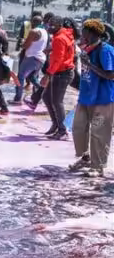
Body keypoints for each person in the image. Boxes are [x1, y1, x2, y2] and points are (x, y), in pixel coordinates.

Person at [71, 19, 114, 177]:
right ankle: (86, 157)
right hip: (86, 97)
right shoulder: (87, 49)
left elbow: (111, 75)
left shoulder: (105, 50)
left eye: (84, 30)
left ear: (91, 33)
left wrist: (90, 65)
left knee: (99, 132)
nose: (81, 33)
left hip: (102, 99)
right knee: (78, 128)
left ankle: (98, 166)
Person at [41, 16, 76, 139]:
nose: (48, 27)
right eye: (48, 24)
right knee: (46, 97)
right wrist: (52, 49)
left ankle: (63, 130)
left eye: (51, 25)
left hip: (62, 73)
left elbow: (58, 59)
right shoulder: (63, 34)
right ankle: (56, 124)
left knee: (57, 101)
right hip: (61, 72)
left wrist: (47, 75)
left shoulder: (59, 38)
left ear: (58, 25)